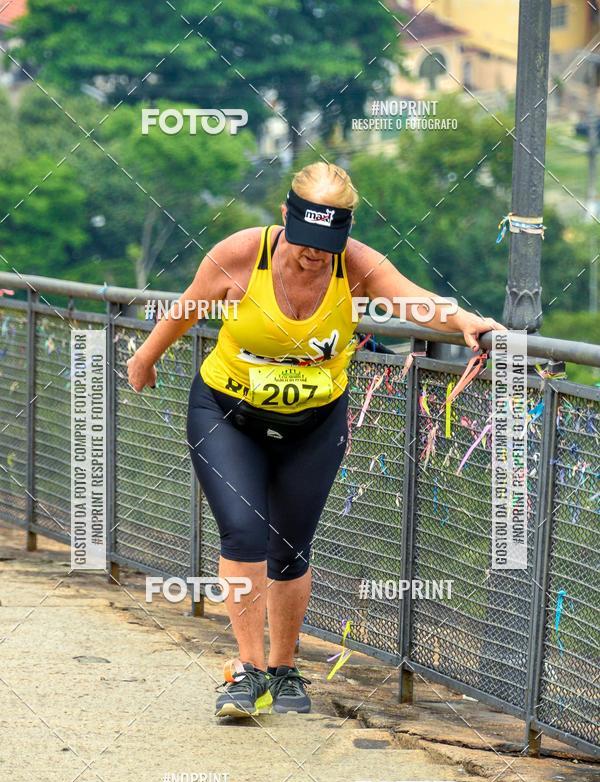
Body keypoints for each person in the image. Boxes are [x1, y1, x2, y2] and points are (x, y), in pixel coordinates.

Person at [127, 161, 504, 719]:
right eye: (304, 240)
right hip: (227, 414)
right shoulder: (240, 254)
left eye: (327, 243)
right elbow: (189, 307)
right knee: (244, 533)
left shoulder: (355, 266)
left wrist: (467, 321)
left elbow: (412, 300)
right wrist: (145, 356)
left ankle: (284, 668)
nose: (314, 254)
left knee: (291, 548)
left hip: (314, 424)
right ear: (286, 217)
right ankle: (248, 672)